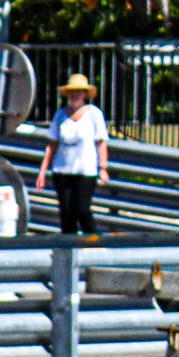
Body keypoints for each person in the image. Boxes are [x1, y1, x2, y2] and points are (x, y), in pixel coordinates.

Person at [34, 74, 110, 236]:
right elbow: (52, 144)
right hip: (62, 170)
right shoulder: (60, 115)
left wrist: (103, 167)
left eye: (79, 91)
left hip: (85, 171)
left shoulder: (94, 114)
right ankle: (69, 250)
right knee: (67, 213)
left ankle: (94, 241)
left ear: (85, 94)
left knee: (82, 209)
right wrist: (43, 170)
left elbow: (101, 142)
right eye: (72, 91)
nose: (75, 95)